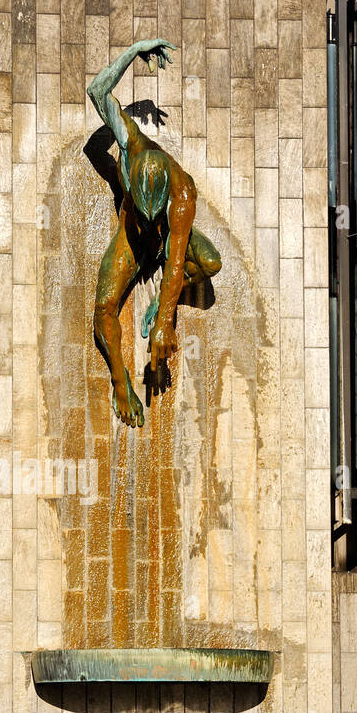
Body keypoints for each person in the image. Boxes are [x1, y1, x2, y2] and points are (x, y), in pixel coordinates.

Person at [87, 38, 221, 427]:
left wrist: (164, 320)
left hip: (165, 244)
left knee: (210, 263)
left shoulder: (182, 195)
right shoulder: (129, 142)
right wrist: (135, 49)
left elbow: (177, 263)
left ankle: (164, 302)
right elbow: (97, 90)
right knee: (103, 309)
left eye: (153, 213)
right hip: (130, 237)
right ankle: (119, 381)